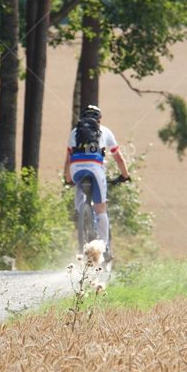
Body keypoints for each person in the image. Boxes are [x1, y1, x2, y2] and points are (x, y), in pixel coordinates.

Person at [63, 104, 130, 259]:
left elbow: (67, 159)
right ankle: (105, 249)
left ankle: (81, 220)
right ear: (99, 119)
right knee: (101, 209)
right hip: (95, 167)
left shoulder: (75, 132)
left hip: (76, 169)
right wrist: (125, 175)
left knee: (79, 198)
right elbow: (118, 158)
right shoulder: (105, 131)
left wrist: (68, 179)